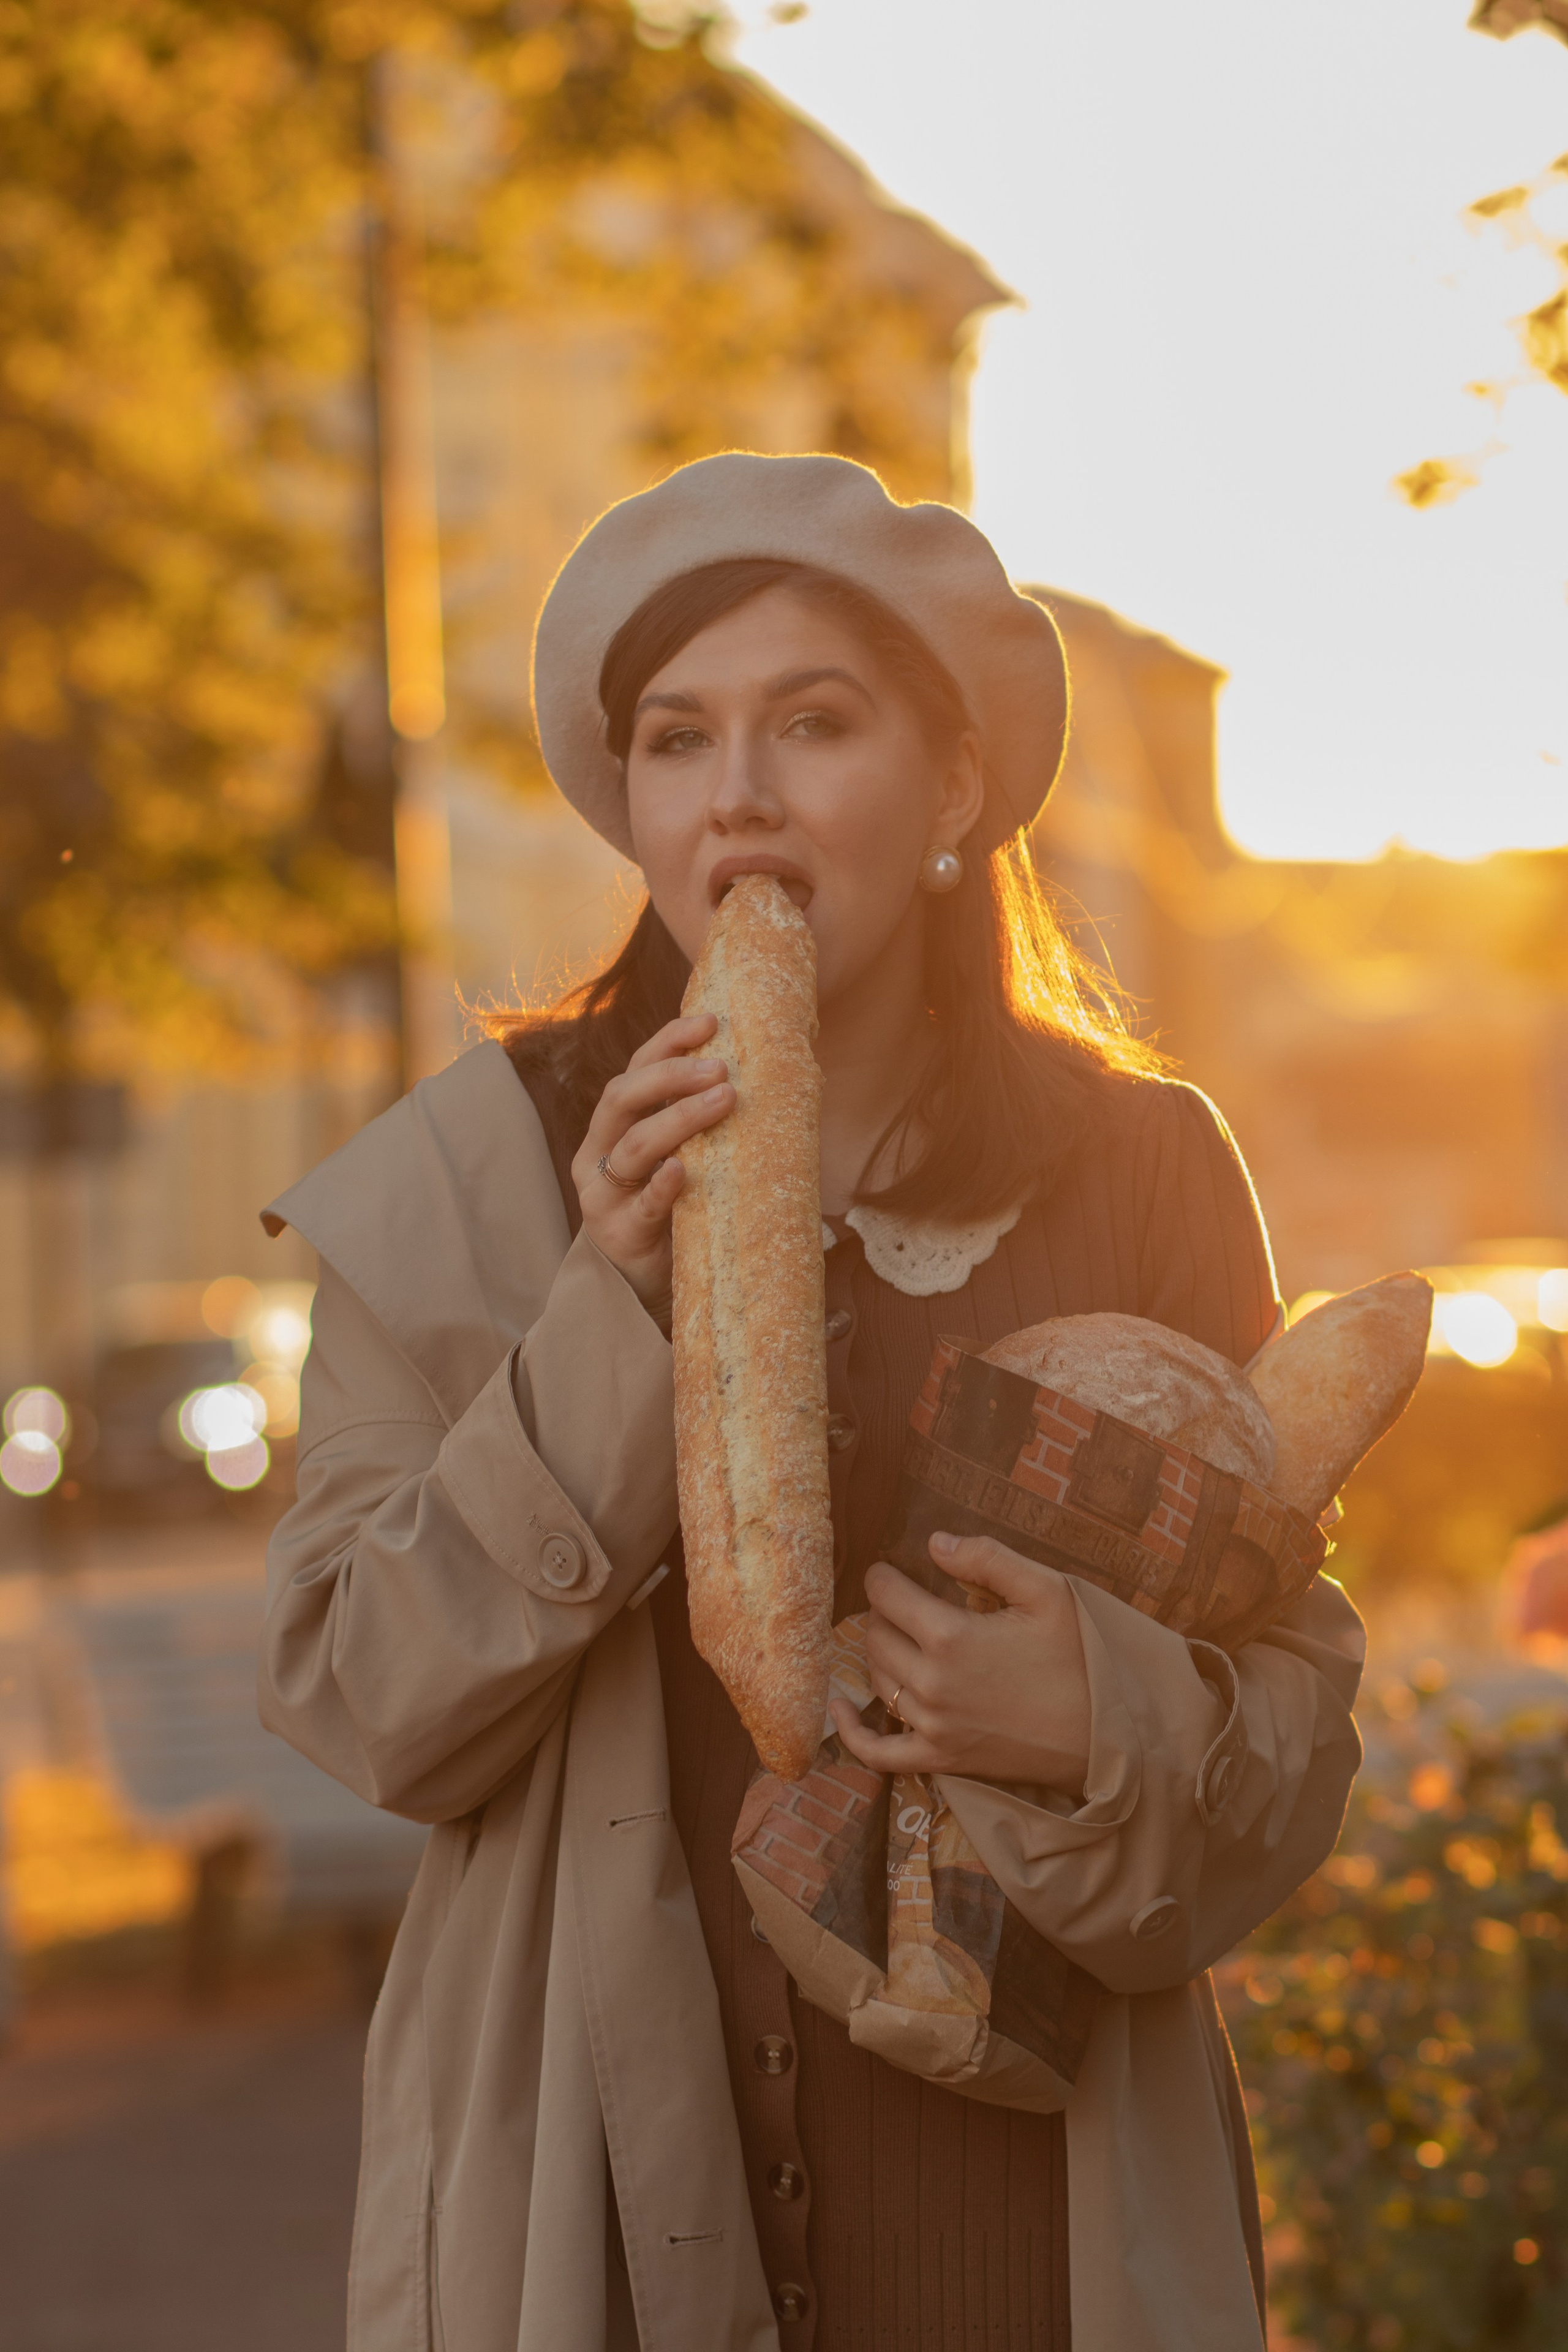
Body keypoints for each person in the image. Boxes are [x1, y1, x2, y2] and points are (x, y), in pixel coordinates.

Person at [259, 453, 1364, 2352]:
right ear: (636, 809)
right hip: (588, 2202)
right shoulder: (466, 1191)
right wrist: (606, 1312)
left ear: (951, 790)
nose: (741, 792)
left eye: (813, 723)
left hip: (1032, 2213)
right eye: (678, 741)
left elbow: (1295, 1741)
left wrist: (1100, 1711)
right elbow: (365, 1703)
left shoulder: (1142, 1172)